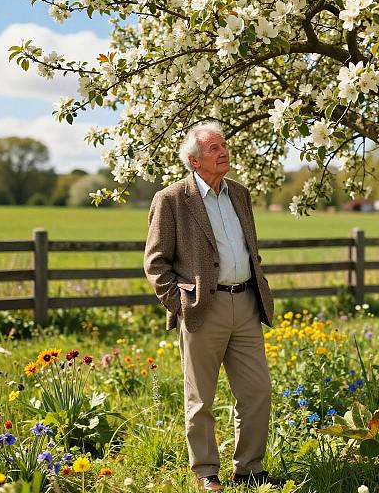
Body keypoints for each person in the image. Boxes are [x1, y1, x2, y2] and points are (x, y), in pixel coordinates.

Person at [144, 121, 281, 491]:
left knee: (257, 391)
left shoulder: (240, 193)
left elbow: (249, 248)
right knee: (200, 398)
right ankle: (206, 472)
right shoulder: (171, 199)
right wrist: (183, 303)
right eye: (214, 148)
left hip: (247, 303)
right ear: (194, 160)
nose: (224, 152)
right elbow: (155, 263)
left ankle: (249, 469)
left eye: (224, 145)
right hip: (203, 309)